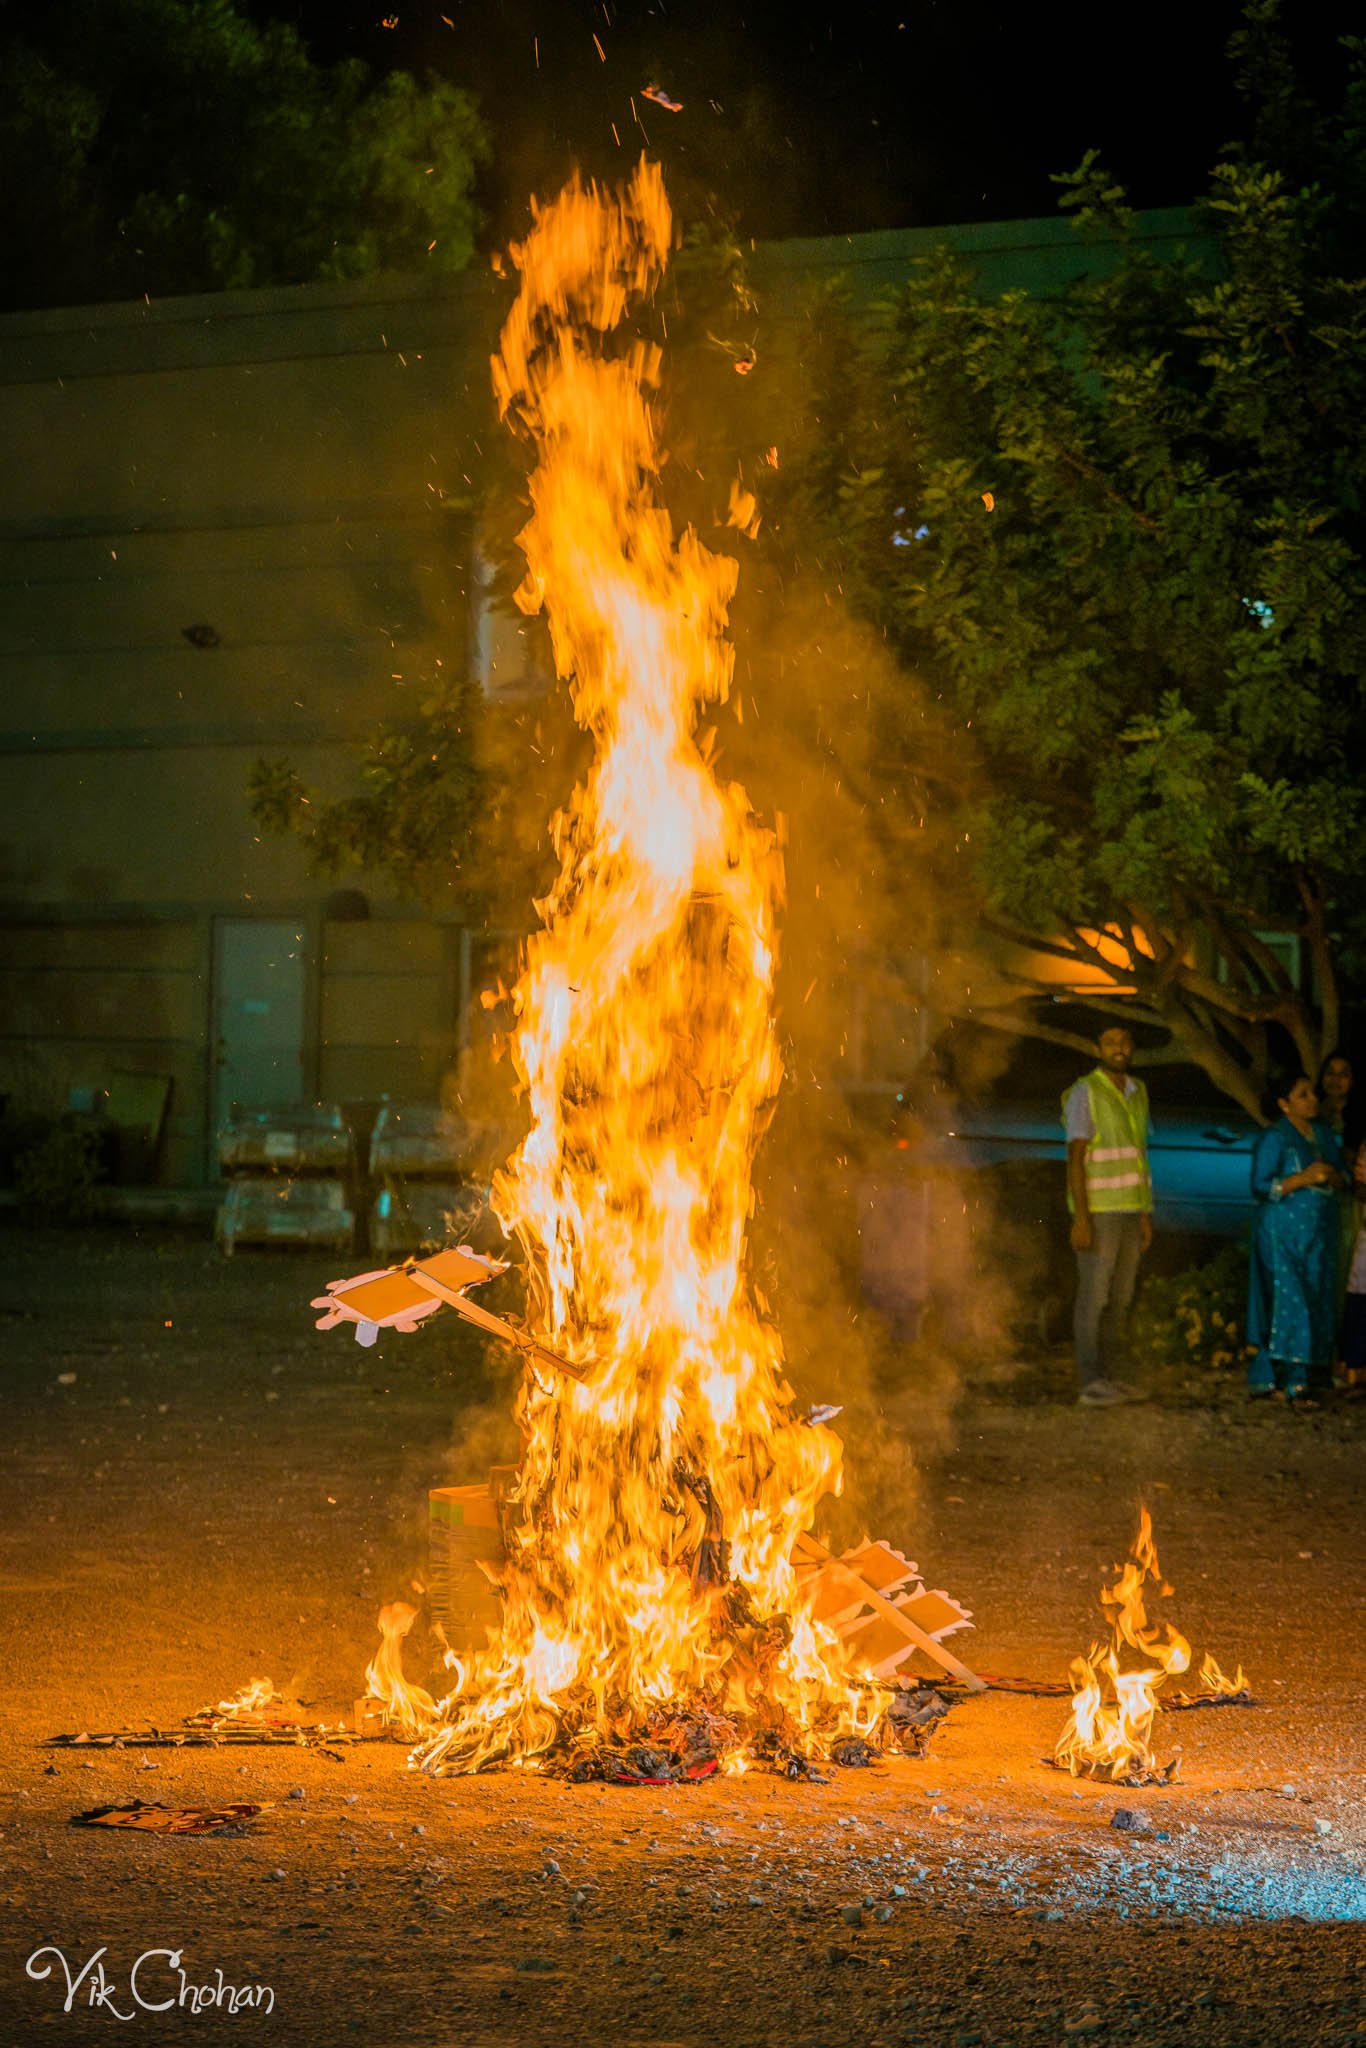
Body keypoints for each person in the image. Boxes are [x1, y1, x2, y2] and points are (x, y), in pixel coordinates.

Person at [1062, 1025, 1153, 1406]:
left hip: (1130, 1210)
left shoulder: (1137, 1092)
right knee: (1095, 1298)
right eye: (1111, 1041)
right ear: (1097, 1047)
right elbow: (1075, 1158)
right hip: (1100, 1212)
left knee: (1120, 1298)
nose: (1120, 1047)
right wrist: (1081, 1217)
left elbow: (1139, 1154)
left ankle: (1111, 1377)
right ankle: (1090, 1381)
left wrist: (1146, 1212)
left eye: (1126, 1040)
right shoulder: (1086, 1092)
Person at [1246, 1071, 1346, 1404]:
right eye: (1303, 1094)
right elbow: (1260, 1185)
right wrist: (1301, 1179)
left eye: (1312, 1093)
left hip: (1318, 1233)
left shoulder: (1322, 1133)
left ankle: (1314, 1373)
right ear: (1283, 1104)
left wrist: (1333, 1176)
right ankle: (1285, 1378)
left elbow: (1338, 1174)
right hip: (1281, 1233)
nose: (1313, 1099)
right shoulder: (1275, 1137)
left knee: (1317, 1296)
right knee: (1289, 1301)